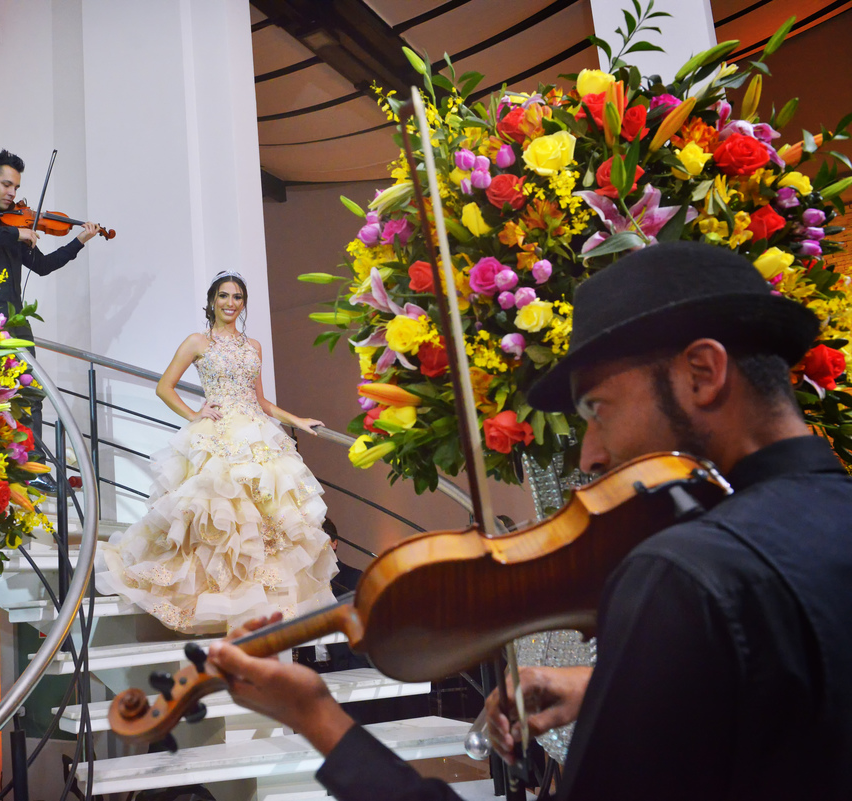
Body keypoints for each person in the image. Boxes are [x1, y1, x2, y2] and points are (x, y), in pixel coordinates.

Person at [206, 241, 852, 800]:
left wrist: (319, 718)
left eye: (598, 408)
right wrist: (612, 686)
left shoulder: (685, 570)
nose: (592, 453)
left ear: (703, 373)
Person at [95, 271, 338, 634]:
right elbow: (165, 387)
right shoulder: (197, 341)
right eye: (223, 296)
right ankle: (214, 603)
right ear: (211, 301)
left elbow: (260, 401)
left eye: (237, 297)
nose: (230, 303)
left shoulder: (253, 345)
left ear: (243, 303)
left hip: (256, 437)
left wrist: (296, 420)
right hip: (219, 436)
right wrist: (195, 414)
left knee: (267, 526)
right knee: (219, 522)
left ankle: (254, 609)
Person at [0, 149, 101, 340]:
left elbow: (42, 266)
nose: (12, 193)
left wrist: (80, 240)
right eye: (6, 185)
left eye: (16, 188)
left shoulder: (12, 222)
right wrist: (16, 233)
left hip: (17, 320)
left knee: (29, 371)